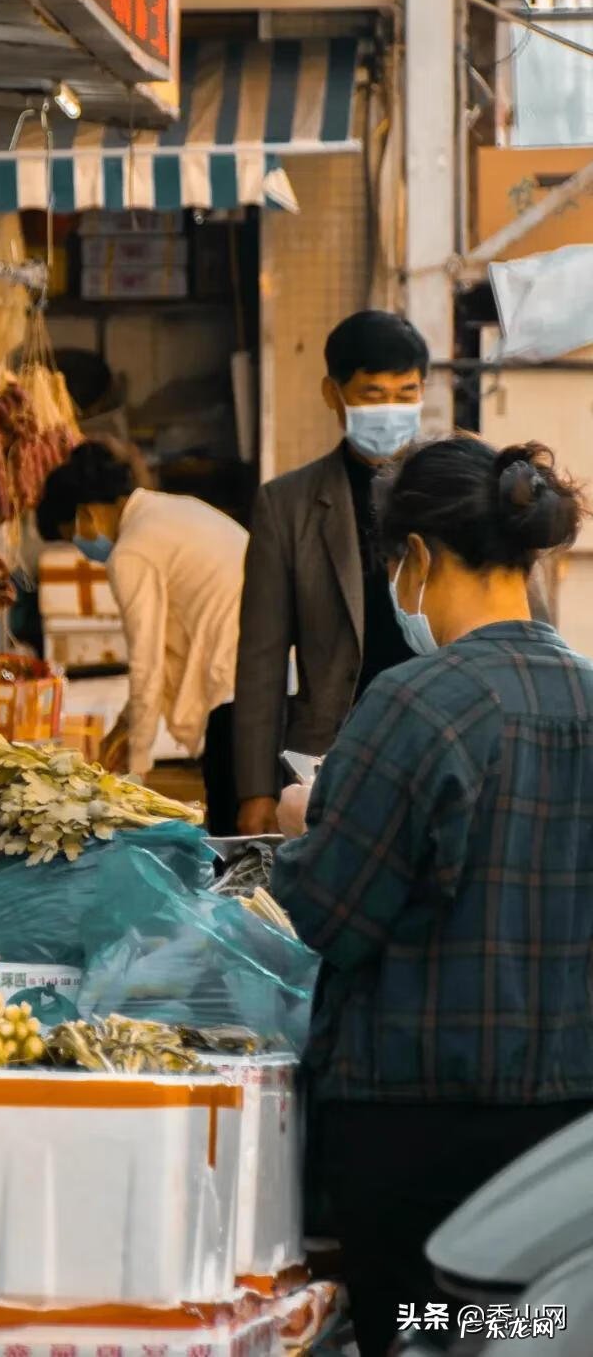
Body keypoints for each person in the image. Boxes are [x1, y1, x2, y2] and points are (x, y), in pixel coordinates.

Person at [270, 436, 593, 1357]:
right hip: (570, 1132)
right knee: (530, 1336)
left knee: (424, 1333)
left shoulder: (414, 704)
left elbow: (333, 913)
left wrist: (309, 820)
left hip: (421, 1132)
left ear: (413, 558)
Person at [234, 310, 429, 837]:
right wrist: (255, 792)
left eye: (406, 391)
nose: (391, 408)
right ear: (333, 393)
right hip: (329, 755)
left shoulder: (455, 491)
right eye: (372, 393)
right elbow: (261, 660)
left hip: (437, 744)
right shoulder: (287, 505)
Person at [37, 440, 248, 833]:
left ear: (86, 514)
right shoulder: (167, 511)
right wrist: (126, 725)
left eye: (73, 536)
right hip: (264, 678)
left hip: (235, 693)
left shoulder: (132, 550)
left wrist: (134, 775)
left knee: (232, 831)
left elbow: (146, 664)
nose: (84, 550)